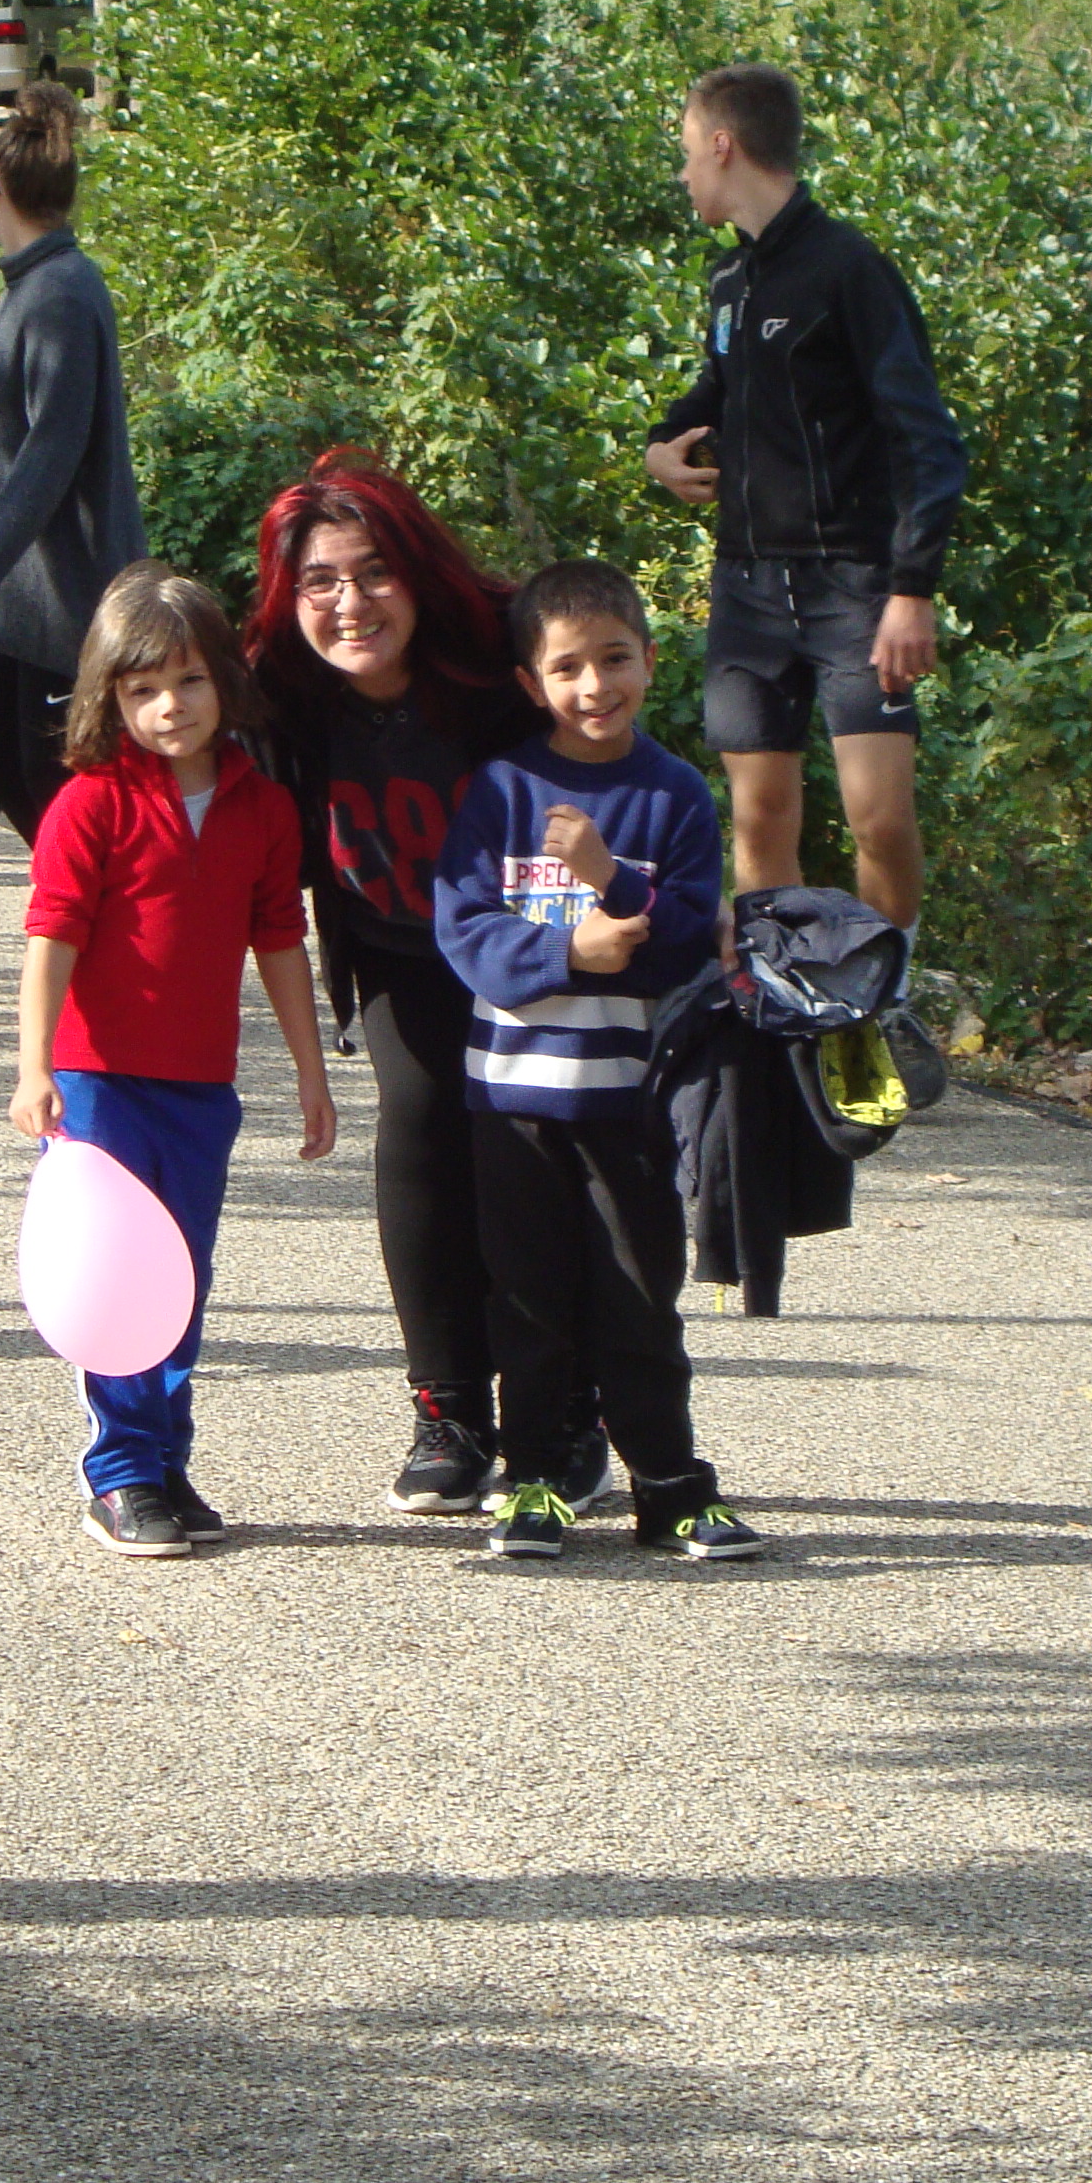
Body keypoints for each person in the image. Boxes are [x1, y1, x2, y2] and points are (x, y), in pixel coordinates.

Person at [244, 451, 562, 1514]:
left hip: (531, 952)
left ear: (417, 574)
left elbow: (609, 774)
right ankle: (449, 1414)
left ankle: (563, 1412)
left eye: (373, 572)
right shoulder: (283, 698)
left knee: (525, 1155)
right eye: (321, 581)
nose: (350, 603)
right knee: (422, 1123)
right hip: (394, 948)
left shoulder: (504, 669)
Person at [432, 558, 754, 1561]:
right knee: (525, 1300)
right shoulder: (501, 791)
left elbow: (683, 944)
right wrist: (565, 948)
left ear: (650, 663)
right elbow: (464, 929)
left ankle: (669, 1486)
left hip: (630, 1103)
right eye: (567, 667)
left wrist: (611, 882)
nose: (594, 686)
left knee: (636, 1298)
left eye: (614, 660)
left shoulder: (672, 796)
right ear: (533, 684)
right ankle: (532, 1485)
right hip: (514, 1100)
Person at [12, 563, 331, 1557]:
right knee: (113, 1282)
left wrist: (309, 1074)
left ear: (224, 682)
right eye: (142, 689)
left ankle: (166, 1460)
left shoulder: (262, 811)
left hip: (201, 1088)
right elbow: (50, 937)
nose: (168, 707)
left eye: (189, 681)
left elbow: (278, 941)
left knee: (181, 1280)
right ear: (110, 695)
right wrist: (35, 1067)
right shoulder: (90, 804)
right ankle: (117, 1470)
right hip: (99, 1086)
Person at [643, 60, 966, 931]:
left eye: (686, 154)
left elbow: (928, 441)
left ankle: (884, 996)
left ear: (723, 146)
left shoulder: (850, 269)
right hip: (746, 587)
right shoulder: (727, 282)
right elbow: (714, 391)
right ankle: (776, 1007)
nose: (682, 176)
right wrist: (657, 450)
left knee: (881, 821)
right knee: (758, 818)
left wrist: (912, 589)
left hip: (855, 589)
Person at [0, 83, 143, 838]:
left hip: (60, 603)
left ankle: (94, 940)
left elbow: (49, 455)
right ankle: (78, 931)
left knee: (52, 787)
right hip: (10, 604)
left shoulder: (59, 293)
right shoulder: (37, 287)